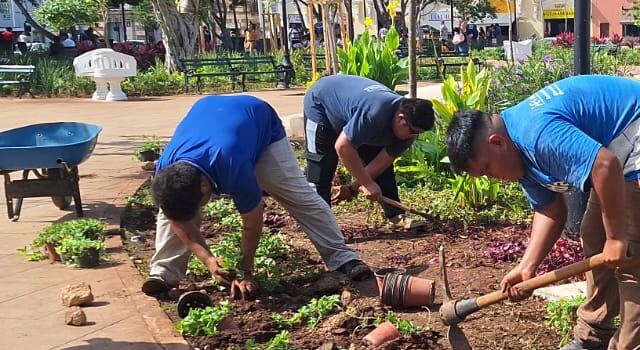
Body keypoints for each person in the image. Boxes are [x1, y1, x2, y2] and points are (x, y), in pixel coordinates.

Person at [445, 75, 640, 350]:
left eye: (488, 169)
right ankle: (594, 339)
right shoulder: (515, 150)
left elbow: (604, 165)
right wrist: (528, 268)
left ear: (496, 142)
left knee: (636, 259)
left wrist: (619, 237)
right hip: (624, 151)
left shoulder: (537, 135)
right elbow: (550, 210)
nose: (494, 177)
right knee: (594, 235)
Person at [143, 94, 370, 298]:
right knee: (170, 211)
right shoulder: (167, 172)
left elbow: (252, 220)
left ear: (205, 187)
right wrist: (208, 259)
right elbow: (177, 218)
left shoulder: (232, 165)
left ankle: (342, 258)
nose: (193, 217)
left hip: (260, 122)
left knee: (298, 195)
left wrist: (244, 270)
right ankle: (164, 273)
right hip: (210, 113)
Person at [303, 74, 436, 230]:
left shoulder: (408, 131)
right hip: (321, 103)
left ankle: (396, 215)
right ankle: (322, 226)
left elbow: (382, 161)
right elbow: (343, 147)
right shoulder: (374, 113)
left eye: (418, 133)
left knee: (383, 170)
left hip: (354, 117)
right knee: (321, 168)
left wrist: (352, 189)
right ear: (401, 118)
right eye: (413, 131)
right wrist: (366, 183)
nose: (414, 136)